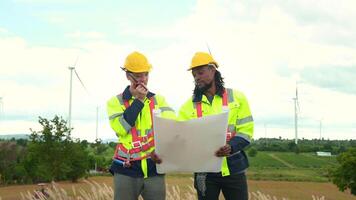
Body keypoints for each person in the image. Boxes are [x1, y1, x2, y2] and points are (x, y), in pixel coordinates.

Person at [178, 52, 254, 200]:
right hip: (204, 172)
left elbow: (246, 131)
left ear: (213, 70)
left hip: (234, 169)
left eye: (200, 73)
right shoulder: (187, 107)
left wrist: (230, 147)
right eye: (194, 75)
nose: (197, 78)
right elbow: (181, 137)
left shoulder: (237, 98)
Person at [107, 51, 175, 200]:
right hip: (126, 169)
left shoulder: (159, 100)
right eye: (138, 76)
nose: (143, 79)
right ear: (128, 76)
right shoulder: (115, 102)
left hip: (153, 167)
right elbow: (121, 128)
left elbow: (172, 127)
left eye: (146, 74)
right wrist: (139, 100)